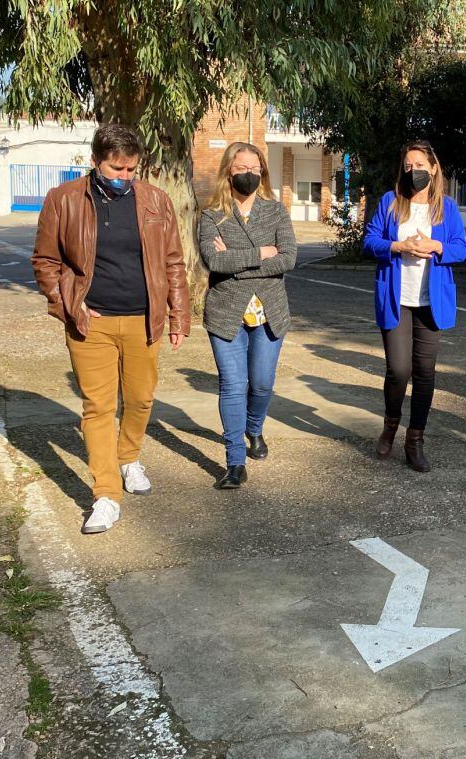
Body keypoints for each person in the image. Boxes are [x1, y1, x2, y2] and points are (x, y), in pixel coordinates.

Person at [31, 124, 190, 534]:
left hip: (143, 319)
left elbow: (173, 261)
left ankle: (129, 457)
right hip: (91, 323)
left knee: (139, 400)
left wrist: (178, 315)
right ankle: (105, 495)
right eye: (116, 169)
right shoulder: (63, 200)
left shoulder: (155, 201)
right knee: (98, 408)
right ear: (95, 162)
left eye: (131, 170)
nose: (124, 177)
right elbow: (45, 261)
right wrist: (69, 302)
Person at [363, 140, 466, 472]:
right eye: (409, 166)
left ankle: (415, 439)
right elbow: (369, 242)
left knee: (425, 374)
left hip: (431, 302)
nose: (414, 171)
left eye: (420, 165)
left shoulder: (447, 207)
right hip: (397, 299)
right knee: (398, 370)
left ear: (434, 168)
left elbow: (461, 248)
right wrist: (398, 245)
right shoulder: (390, 202)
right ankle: (391, 424)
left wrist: (438, 246)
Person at [198, 142, 297, 489]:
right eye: (242, 168)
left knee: (262, 383)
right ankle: (234, 462)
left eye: (255, 169)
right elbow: (214, 261)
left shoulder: (276, 211)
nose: (249, 175)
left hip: (269, 311)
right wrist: (262, 253)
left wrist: (237, 259)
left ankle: (254, 430)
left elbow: (288, 259)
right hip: (226, 314)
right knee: (232, 386)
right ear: (229, 170)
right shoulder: (211, 215)